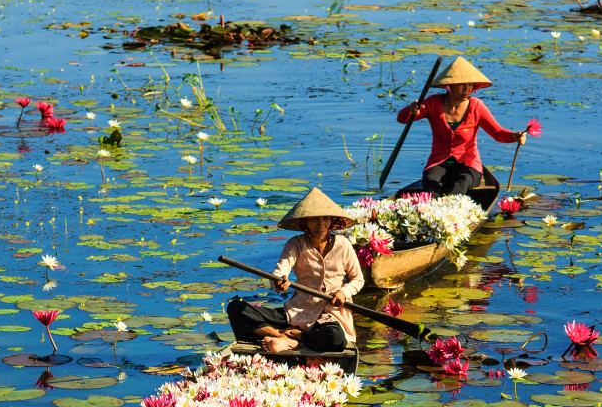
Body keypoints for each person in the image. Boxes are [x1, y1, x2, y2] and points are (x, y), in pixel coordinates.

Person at [226, 186, 363, 353]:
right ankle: (281, 336)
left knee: (335, 338)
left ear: (332, 221)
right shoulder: (295, 244)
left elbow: (358, 279)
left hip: (331, 313)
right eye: (314, 220)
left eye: (325, 219)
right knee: (236, 309)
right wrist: (278, 282)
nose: (321, 225)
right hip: (299, 311)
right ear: (304, 223)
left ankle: (298, 338)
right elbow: (280, 271)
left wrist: (343, 292)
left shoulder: (343, 245)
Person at [396, 56, 529, 196]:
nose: (467, 89)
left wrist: (514, 136)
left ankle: (452, 213)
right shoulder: (432, 103)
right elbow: (402, 119)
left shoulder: (477, 106)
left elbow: (497, 133)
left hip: (469, 164)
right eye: (462, 84)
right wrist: (410, 110)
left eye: (470, 84)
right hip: (439, 162)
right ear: (450, 86)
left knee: (459, 185)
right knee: (430, 185)